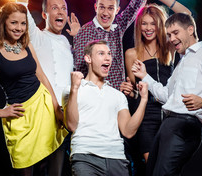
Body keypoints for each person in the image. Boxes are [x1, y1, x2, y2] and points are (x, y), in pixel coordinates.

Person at [0, 2, 68, 176]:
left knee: (55, 160)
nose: (19, 28)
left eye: (23, 23)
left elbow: (42, 76)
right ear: (3, 23)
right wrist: (0, 112)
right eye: (14, 23)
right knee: (25, 170)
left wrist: (56, 106)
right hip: (20, 116)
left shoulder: (27, 45)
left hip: (44, 107)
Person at [131, 12, 202, 176]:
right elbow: (166, 96)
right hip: (167, 125)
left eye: (176, 33)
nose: (171, 39)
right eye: (169, 35)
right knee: (150, 172)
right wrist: (144, 76)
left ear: (190, 29)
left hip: (185, 125)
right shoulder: (180, 63)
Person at [16, 0, 80, 175]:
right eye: (54, 8)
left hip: (62, 114)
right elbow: (20, 7)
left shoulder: (69, 42)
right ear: (44, 15)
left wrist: (79, 38)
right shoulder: (37, 36)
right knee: (29, 166)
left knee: (57, 168)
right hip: (38, 108)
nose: (60, 11)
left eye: (63, 8)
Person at [120, 0, 192, 164]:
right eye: (144, 23)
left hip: (169, 112)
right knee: (149, 163)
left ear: (160, 24)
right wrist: (130, 90)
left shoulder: (169, 46)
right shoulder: (131, 53)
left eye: (153, 23)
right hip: (144, 115)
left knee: (167, 164)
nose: (148, 28)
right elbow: (136, 90)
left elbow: (186, 14)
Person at [62, 40, 149, 176]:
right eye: (101, 53)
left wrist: (144, 99)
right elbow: (71, 125)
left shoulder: (117, 95)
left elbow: (128, 131)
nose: (108, 57)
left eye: (109, 54)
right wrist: (74, 88)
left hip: (117, 159)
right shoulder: (72, 90)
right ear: (88, 58)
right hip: (85, 157)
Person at [73, 0, 155, 90]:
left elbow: (136, 4)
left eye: (110, 8)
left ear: (117, 10)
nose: (105, 12)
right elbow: (79, 68)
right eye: (102, 7)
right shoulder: (84, 32)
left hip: (118, 96)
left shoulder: (118, 25)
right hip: (94, 95)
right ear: (95, 7)